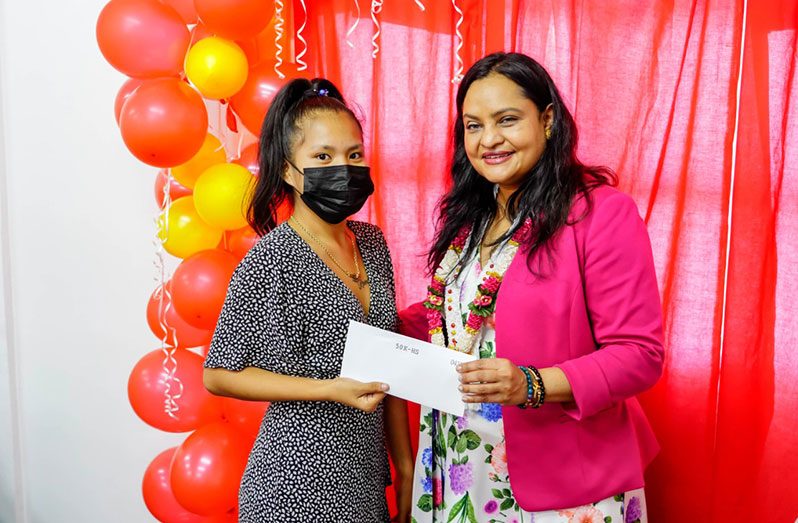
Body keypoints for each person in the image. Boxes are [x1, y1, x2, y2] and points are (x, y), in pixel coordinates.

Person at [403, 52, 664, 522]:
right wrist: (368, 320)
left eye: (507, 120)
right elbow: (462, 316)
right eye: (473, 125)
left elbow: (638, 354)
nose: (489, 140)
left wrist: (532, 383)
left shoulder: (599, 213)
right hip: (460, 464)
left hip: (562, 479)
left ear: (547, 120)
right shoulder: (473, 218)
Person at [203, 78, 413, 523]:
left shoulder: (373, 244)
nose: (345, 167)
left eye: (354, 155)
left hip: (364, 476)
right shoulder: (272, 257)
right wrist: (329, 390)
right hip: (293, 480)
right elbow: (219, 375)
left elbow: (389, 362)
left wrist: (407, 467)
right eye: (323, 157)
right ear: (286, 170)